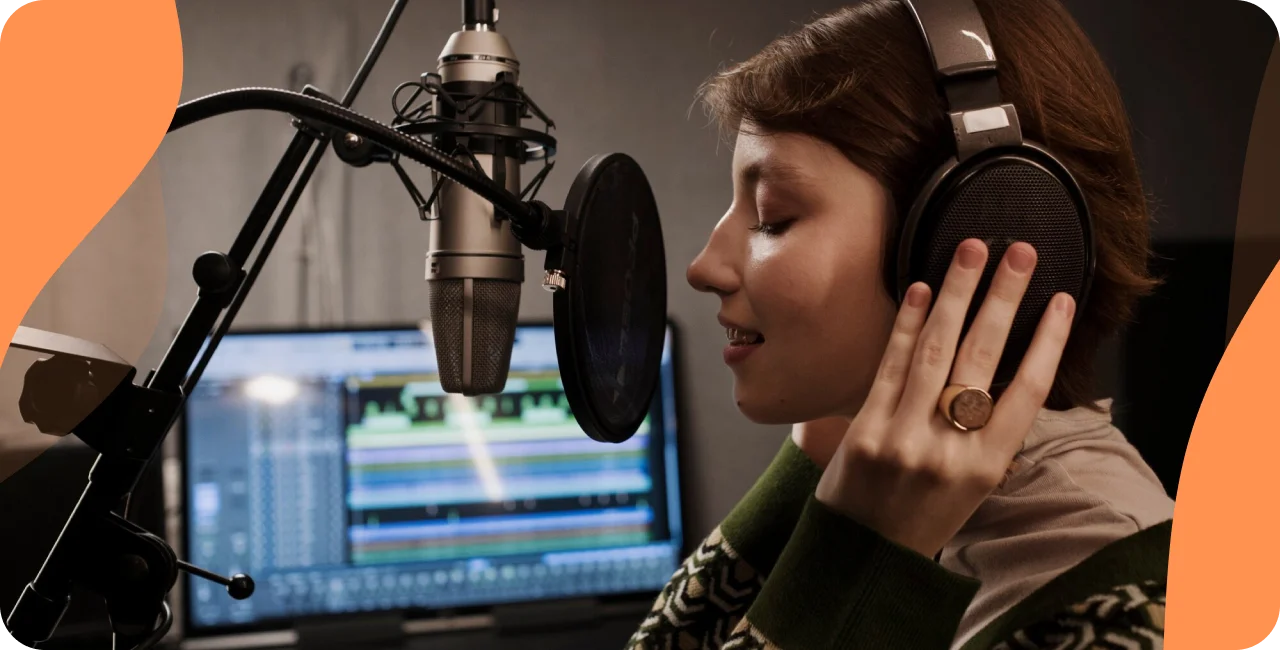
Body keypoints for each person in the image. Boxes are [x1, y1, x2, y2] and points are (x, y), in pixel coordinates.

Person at [625, 0, 1175, 648]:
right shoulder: (878, 491)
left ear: (980, 230)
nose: (704, 266)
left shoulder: (1126, 612)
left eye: (772, 216)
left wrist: (864, 557)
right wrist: (815, 473)